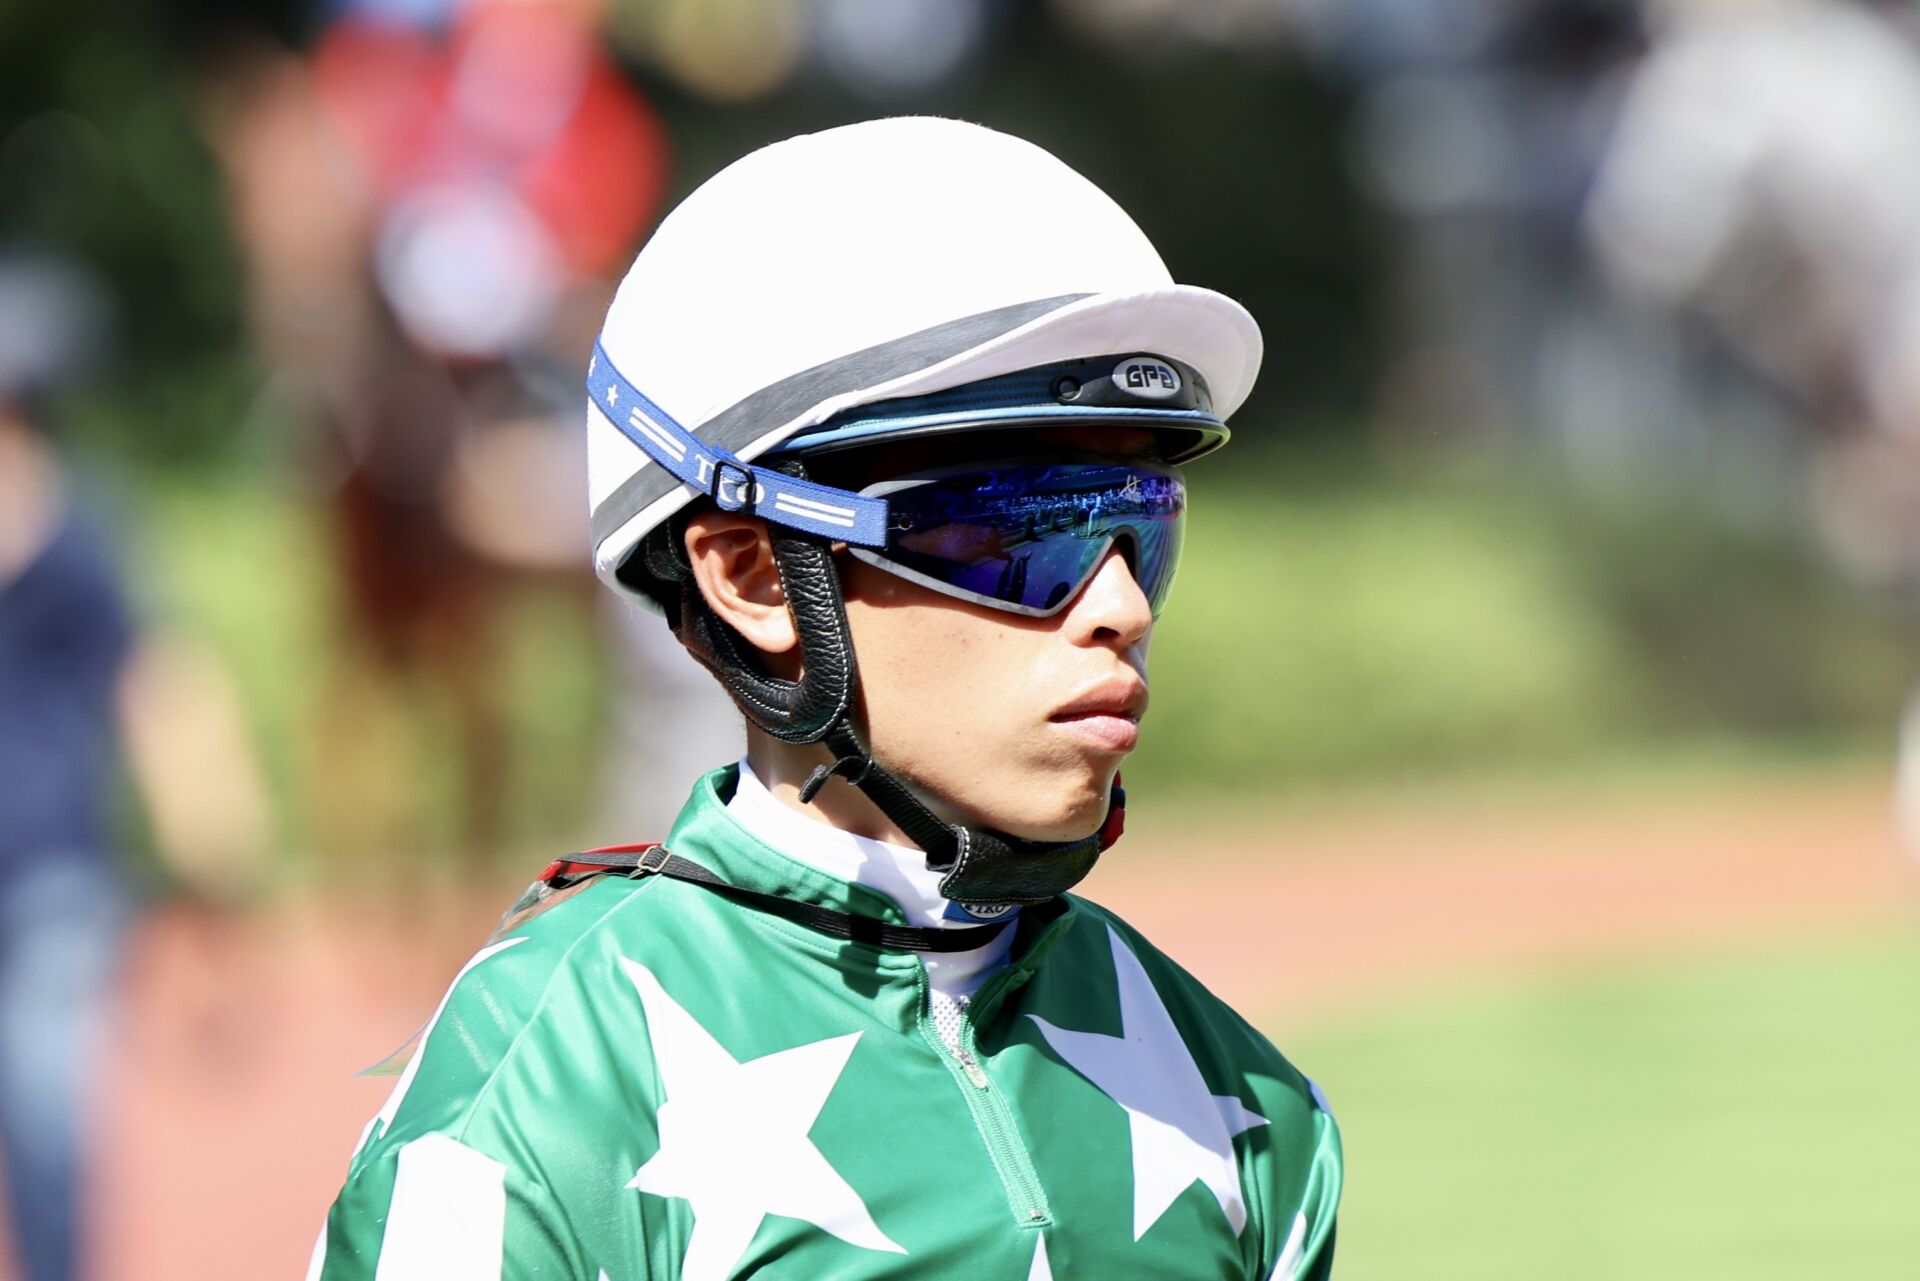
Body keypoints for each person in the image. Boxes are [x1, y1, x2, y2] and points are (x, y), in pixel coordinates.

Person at [312, 116, 1342, 1280]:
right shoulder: (539, 1101)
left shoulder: (1244, 1104)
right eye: (1026, 532)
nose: (1120, 607)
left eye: (1142, 529)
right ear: (756, 577)